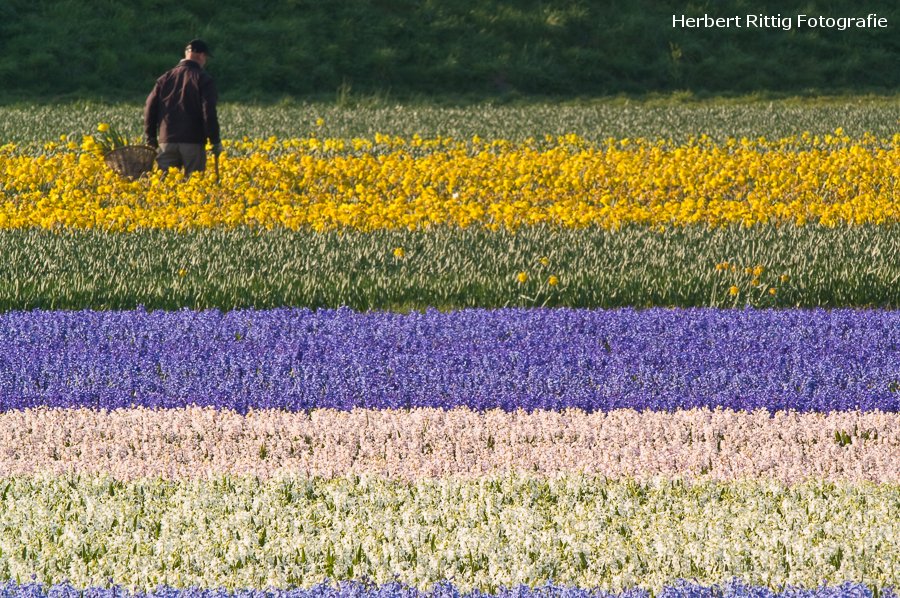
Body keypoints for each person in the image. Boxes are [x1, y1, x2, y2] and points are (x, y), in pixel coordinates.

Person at [144, 39, 222, 176]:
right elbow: (208, 111)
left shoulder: (164, 78)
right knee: (194, 183)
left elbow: (150, 108)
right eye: (206, 57)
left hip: (166, 141)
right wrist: (214, 140)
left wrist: (151, 138)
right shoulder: (203, 79)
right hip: (193, 142)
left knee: (164, 184)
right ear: (201, 55)